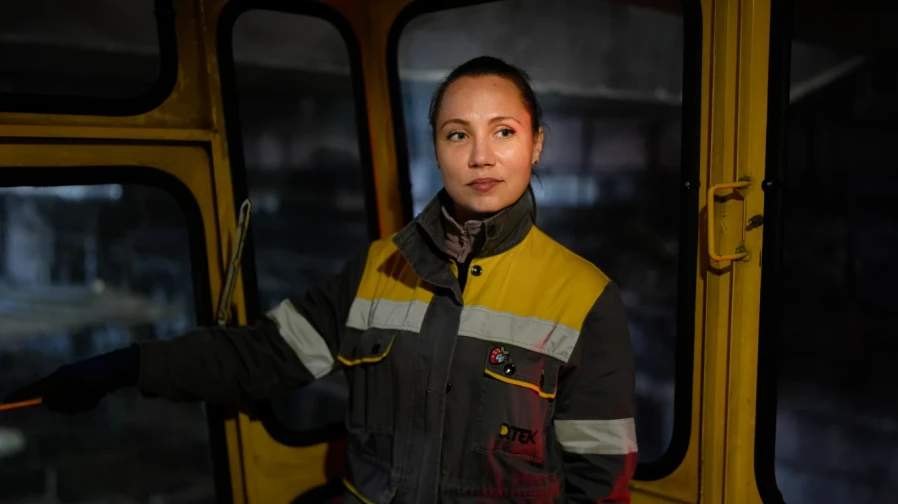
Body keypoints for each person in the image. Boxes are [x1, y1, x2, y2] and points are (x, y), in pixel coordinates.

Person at [5, 55, 638, 503]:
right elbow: (262, 357)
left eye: (503, 132)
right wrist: (125, 366)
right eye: (457, 134)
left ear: (536, 145)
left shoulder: (584, 299)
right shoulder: (376, 270)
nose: (480, 155)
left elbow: (598, 483)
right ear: (436, 148)